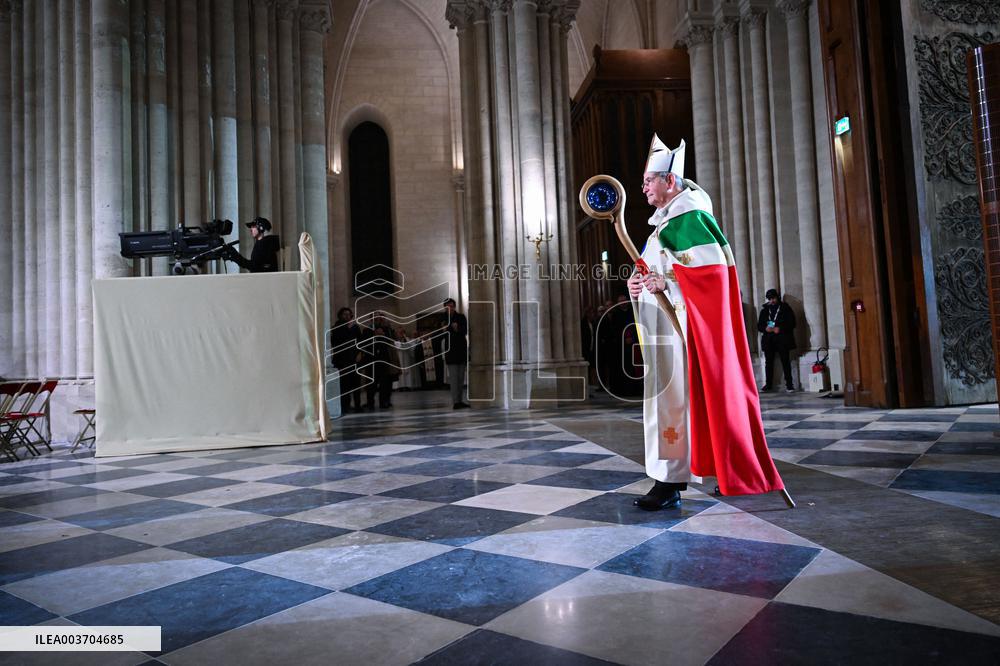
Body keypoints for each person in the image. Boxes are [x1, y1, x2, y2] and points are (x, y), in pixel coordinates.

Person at [627, 134, 784, 510]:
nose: (644, 188)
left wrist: (666, 283)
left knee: (674, 405)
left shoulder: (691, 218)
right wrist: (637, 284)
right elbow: (652, 271)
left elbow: (711, 277)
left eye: (649, 181)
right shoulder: (662, 226)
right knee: (670, 405)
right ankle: (675, 476)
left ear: (669, 181)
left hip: (684, 332)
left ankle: (669, 481)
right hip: (665, 331)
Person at [758, 289, 797, 393]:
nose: (772, 301)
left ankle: (789, 385)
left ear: (777, 297)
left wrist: (780, 328)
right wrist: (765, 328)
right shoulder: (765, 310)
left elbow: (792, 323)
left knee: (785, 361)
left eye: (773, 298)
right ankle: (768, 385)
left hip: (782, 339)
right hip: (769, 340)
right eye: (770, 299)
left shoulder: (785, 308)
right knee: (768, 362)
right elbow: (759, 325)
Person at [330, 307, 363, 414]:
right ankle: (345, 406)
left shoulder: (355, 327)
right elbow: (336, 342)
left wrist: (360, 353)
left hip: (354, 359)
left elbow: (360, 341)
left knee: (356, 384)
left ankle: (358, 405)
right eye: (345, 314)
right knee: (345, 385)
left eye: (349, 314)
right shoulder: (336, 327)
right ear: (340, 315)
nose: (347, 316)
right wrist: (347, 328)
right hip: (342, 360)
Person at [442, 298, 470, 409]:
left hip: (461, 350)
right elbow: (441, 332)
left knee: (460, 378)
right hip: (451, 352)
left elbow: (465, 331)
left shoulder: (461, 317)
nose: (450, 308)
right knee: (453, 378)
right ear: (445, 307)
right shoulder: (443, 318)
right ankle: (455, 401)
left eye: (452, 306)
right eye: (448, 306)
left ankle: (460, 400)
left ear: (454, 307)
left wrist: (457, 328)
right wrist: (450, 328)